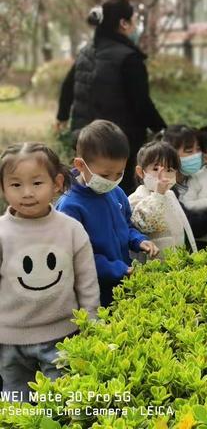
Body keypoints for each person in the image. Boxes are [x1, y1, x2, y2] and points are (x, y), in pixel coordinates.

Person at [0, 142, 99, 400]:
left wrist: (91, 322)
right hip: (9, 341)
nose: (27, 193)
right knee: (15, 404)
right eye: (16, 184)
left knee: (59, 402)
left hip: (61, 336)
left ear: (56, 183)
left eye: (36, 183)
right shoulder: (2, 233)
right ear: (2, 188)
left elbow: (86, 281)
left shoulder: (71, 229)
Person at [56, 0, 167, 195]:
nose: (135, 26)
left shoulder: (86, 52)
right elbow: (141, 104)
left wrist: (62, 117)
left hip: (86, 140)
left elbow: (67, 86)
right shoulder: (129, 58)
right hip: (118, 143)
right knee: (119, 193)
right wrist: (162, 129)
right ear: (123, 24)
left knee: (88, 189)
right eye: (133, 21)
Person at [56, 120, 158, 306]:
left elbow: (125, 226)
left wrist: (138, 240)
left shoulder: (115, 192)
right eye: (104, 175)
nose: (112, 181)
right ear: (80, 165)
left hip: (121, 282)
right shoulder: (70, 207)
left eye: (119, 174)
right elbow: (75, 257)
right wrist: (116, 269)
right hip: (92, 295)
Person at [128, 141, 197, 258]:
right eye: (156, 169)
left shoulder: (170, 195)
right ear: (140, 172)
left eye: (169, 170)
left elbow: (185, 229)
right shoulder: (136, 198)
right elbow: (143, 224)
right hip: (155, 267)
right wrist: (158, 194)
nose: (163, 176)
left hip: (178, 263)